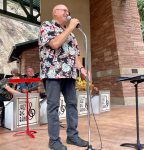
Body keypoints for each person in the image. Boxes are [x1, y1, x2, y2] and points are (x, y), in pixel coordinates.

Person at [39, 4, 90, 150]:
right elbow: (55, 44)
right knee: (53, 106)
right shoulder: (47, 26)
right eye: (65, 10)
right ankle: (54, 140)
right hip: (53, 73)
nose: (68, 13)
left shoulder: (72, 35)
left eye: (68, 10)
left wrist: (81, 68)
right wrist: (70, 28)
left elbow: (75, 56)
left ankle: (72, 136)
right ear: (55, 12)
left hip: (70, 75)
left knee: (72, 105)